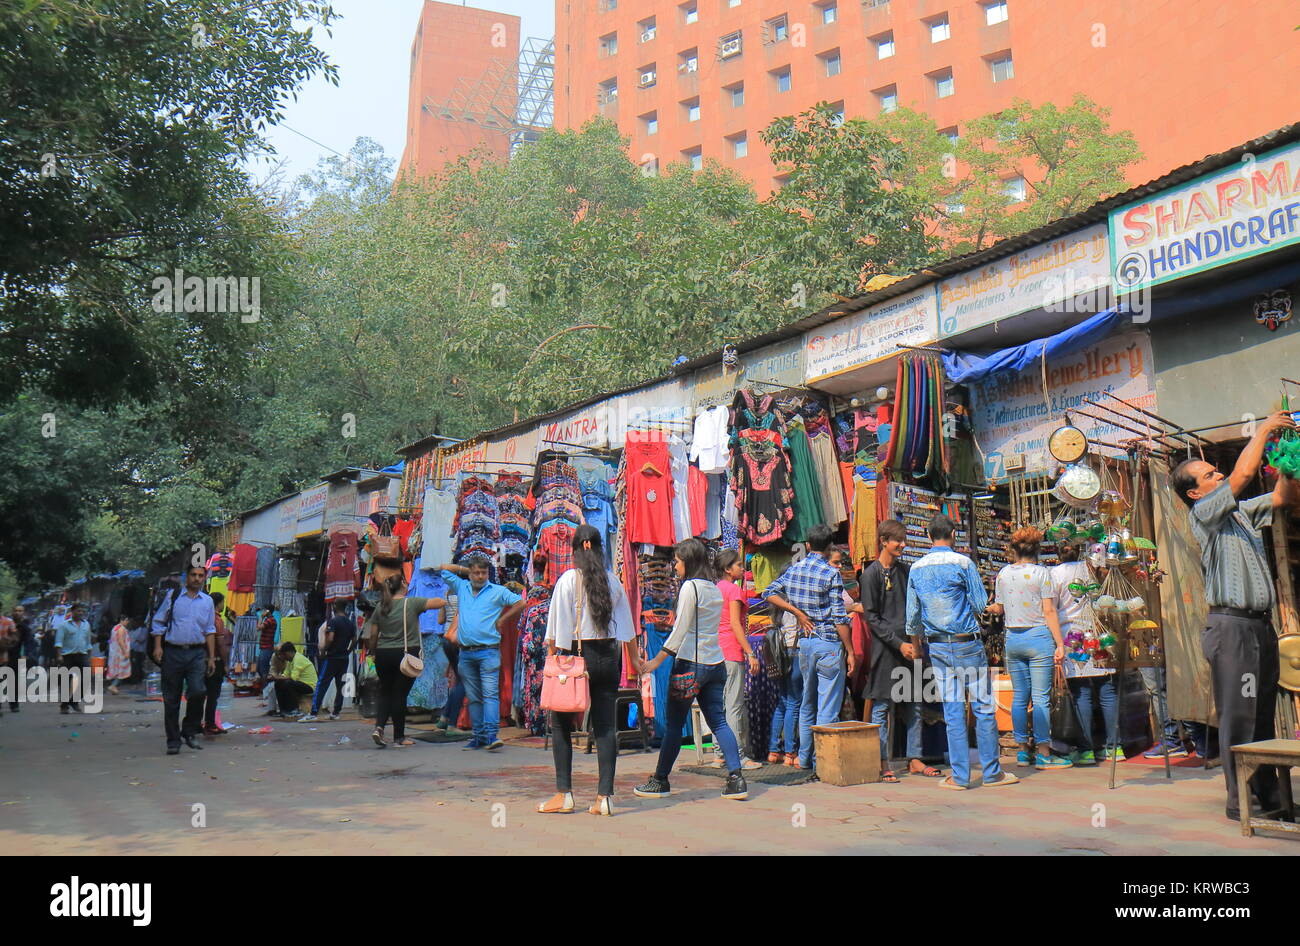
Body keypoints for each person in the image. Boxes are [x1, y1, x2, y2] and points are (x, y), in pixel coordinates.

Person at [1172, 408, 1300, 821]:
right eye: (1210, 475)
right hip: (1233, 630)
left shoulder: (1240, 514)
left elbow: (1284, 498)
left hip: (1257, 628)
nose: (1220, 477)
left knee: (1263, 716)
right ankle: (1240, 800)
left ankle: (1270, 798)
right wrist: (1263, 429)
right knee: (1241, 714)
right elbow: (1243, 476)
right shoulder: (1204, 515)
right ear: (1195, 493)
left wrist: (1288, 462)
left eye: (1216, 472)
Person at [538, 525, 645, 816]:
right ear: (600, 549)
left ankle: (564, 794)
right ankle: (604, 798)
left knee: (560, 723)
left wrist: (551, 661)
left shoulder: (568, 580)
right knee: (606, 727)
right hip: (608, 658)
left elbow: (556, 632)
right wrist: (636, 662)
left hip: (574, 657)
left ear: (575, 550)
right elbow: (627, 630)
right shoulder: (613, 581)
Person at [907, 515, 1018, 790]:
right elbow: (981, 603)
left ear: (928, 534)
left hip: (938, 646)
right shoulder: (963, 563)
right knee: (982, 707)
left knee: (953, 710)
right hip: (967, 642)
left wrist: (918, 647)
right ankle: (992, 773)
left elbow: (912, 617)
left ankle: (959, 777)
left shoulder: (916, 568)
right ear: (953, 534)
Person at [635, 538, 749, 801]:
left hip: (689, 666)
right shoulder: (714, 588)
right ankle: (736, 779)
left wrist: (655, 662)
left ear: (688, 561)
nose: (674, 567)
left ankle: (660, 780)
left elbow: (679, 631)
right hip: (715, 665)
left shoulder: (690, 589)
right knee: (719, 721)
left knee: (674, 725)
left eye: (677, 561)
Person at [763, 523, 855, 770]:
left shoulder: (795, 570)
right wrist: (851, 650)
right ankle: (821, 761)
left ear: (807, 546)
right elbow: (839, 617)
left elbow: (768, 592)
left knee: (807, 704)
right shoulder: (830, 573)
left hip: (805, 645)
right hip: (828, 643)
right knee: (827, 707)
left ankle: (804, 759)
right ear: (828, 548)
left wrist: (796, 611)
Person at [862, 520, 941, 782]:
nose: (903, 544)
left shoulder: (907, 571)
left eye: (904, 539)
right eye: (899, 540)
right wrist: (899, 644)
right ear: (884, 540)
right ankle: (883, 761)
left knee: (915, 704)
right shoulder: (870, 574)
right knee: (882, 707)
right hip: (886, 649)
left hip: (912, 645)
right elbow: (872, 618)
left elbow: (916, 608)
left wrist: (916, 643)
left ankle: (914, 758)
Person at [988, 526, 1072, 770]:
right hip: (1038, 639)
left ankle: (1023, 751)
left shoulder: (1003, 574)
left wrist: (992, 608)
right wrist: (1059, 643)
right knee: (1041, 698)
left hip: (1013, 639)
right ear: (1037, 550)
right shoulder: (1042, 574)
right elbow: (1048, 611)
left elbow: (1000, 608)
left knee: (1019, 698)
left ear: (1014, 549)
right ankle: (1044, 752)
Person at [437, 557, 525, 751]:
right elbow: (443, 568)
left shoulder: (497, 591)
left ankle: (492, 735)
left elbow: (520, 603)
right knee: (474, 697)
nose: (480, 576)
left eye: (483, 573)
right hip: (466, 653)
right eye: (476, 572)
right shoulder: (462, 587)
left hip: (488, 652)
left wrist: (503, 619)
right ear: (470, 573)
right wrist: (463, 568)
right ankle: (479, 737)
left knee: (490, 695)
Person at [1051, 542, 1117, 766]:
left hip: (1071, 635)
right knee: (1107, 689)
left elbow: (1051, 608)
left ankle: (1087, 749)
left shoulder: (1055, 574)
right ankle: (1114, 748)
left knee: (1081, 692)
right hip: (1097, 630)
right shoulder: (1090, 568)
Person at [362, 574, 446, 747]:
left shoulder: (381, 606)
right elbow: (439, 603)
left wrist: (373, 652)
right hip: (406, 654)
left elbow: (373, 635)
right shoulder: (412, 603)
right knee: (400, 695)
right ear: (402, 584)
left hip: (383, 654)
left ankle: (379, 727)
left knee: (385, 692)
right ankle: (399, 737)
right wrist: (445, 595)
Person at [150, 565, 217, 755]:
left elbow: (210, 630)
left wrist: (211, 657)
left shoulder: (207, 601)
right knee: (171, 698)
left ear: (204, 578)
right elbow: (158, 622)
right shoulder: (173, 597)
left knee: (198, 691)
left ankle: (189, 731)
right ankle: (173, 741)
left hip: (197, 653)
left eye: (200, 575)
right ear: (186, 577)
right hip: (172, 652)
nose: (197, 578)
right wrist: (157, 646)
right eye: (193, 575)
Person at [714, 549, 762, 770]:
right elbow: (735, 623)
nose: (743, 569)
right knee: (734, 705)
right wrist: (750, 652)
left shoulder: (716, 589)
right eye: (739, 565)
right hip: (731, 650)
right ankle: (738, 755)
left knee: (721, 704)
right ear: (727, 569)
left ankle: (719, 754)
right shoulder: (733, 590)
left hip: (716, 651)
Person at [302, 600, 355, 722]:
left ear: (335, 607)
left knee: (322, 684)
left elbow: (330, 638)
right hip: (344, 658)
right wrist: (348, 651)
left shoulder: (333, 621)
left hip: (332, 657)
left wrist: (323, 650)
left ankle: (313, 712)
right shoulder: (350, 623)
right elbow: (354, 639)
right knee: (340, 685)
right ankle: (336, 712)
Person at [201, 594, 232, 734]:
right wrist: (225, 663)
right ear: (218, 603)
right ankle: (210, 723)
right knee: (213, 694)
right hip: (215, 660)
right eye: (222, 602)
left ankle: (197, 722)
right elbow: (220, 644)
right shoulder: (217, 620)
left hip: (200, 659)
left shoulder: (202, 617)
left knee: (200, 693)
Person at [54, 603, 93, 713]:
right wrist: (58, 655)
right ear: (72, 612)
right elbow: (58, 642)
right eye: (78, 611)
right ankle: (64, 705)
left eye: (82, 611)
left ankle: (74, 701)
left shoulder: (86, 625)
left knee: (86, 679)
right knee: (67, 681)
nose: (80, 613)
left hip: (82, 655)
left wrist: (89, 656)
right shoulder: (64, 625)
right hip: (68, 656)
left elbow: (88, 642)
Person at [267, 642, 318, 718]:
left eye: (283, 655)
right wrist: (275, 678)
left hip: (310, 686)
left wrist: (276, 677)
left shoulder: (298, 659)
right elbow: (285, 675)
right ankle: (283, 710)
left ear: (288, 653)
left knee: (288, 684)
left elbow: (293, 678)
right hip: (300, 683)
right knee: (278, 683)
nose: (282, 657)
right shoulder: (290, 661)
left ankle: (294, 710)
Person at [106, 614, 134, 696]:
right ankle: (113, 685)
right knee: (121, 671)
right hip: (120, 653)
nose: (127, 622)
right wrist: (125, 652)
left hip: (114, 653)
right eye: (127, 620)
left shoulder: (115, 628)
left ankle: (114, 687)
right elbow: (121, 641)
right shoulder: (121, 629)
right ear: (122, 620)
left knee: (116, 671)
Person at [256, 607, 277, 689]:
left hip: (267, 648)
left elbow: (258, 628)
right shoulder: (269, 620)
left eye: (264, 610)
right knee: (260, 669)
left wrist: (261, 617)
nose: (262, 612)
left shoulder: (270, 620)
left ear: (268, 611)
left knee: (263, 670)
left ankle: (265, 691)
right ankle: (266, 689)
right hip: (264, 647)